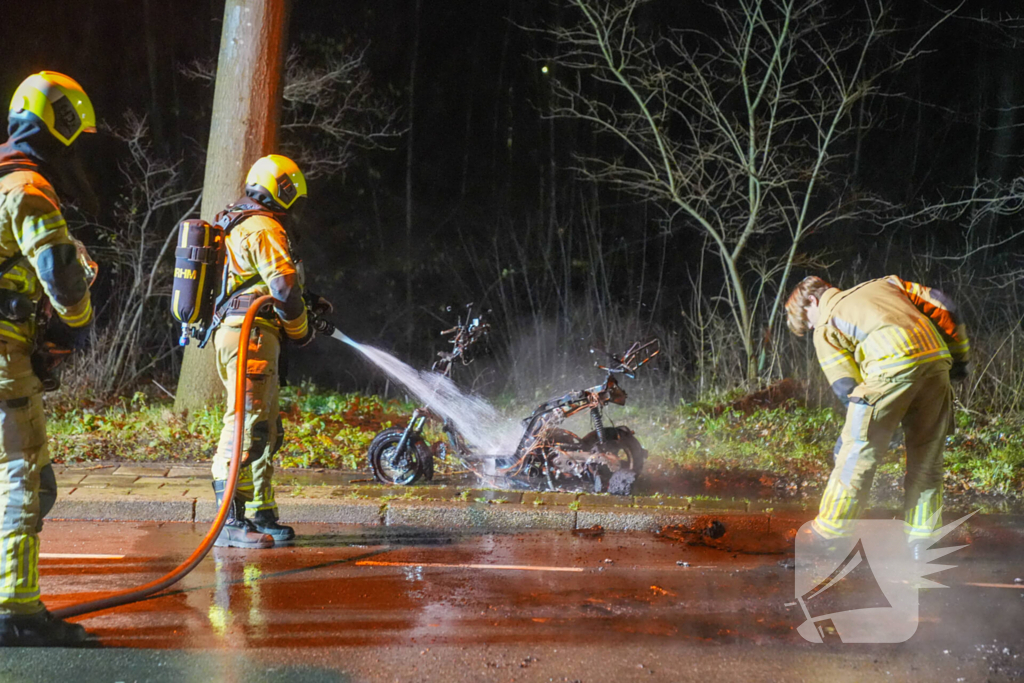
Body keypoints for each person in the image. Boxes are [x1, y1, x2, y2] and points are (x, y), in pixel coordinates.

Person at [0, 72, 97, 646]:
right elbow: (62, 274)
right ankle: (16, 610)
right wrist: (75, 325)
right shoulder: (27, 189)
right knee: (23, 475)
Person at [785, 275, 969, 545]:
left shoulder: (828, 320)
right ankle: (922, 541)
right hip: (936, 363)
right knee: (927, 458)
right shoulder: (888, 284)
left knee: (855, 456)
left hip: (889, 370)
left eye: (808, 321)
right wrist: (959, 359)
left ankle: (829, 536)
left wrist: (864, 432)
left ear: (812, 300)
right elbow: (943, 304)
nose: (813, 327)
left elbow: (847, 388)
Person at [209, 154, 328, 549]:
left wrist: (306, 304)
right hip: (251, 335)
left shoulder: (242, 222)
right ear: (283, 189)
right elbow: (282, 290)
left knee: (265, 428)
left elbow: (266, 285)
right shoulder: (263, 226)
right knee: (245, 425)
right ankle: (230, 519)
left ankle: (260, 511)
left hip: (252, 333)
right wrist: (302, 329)